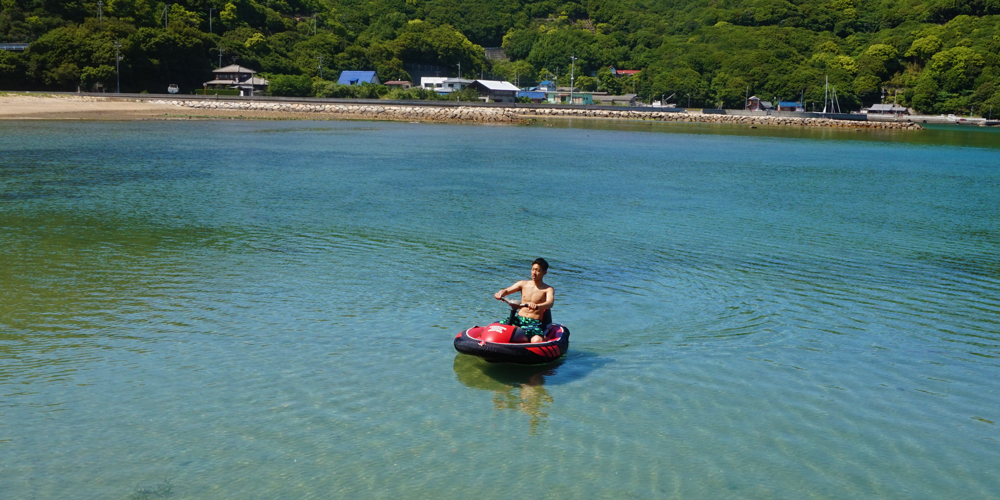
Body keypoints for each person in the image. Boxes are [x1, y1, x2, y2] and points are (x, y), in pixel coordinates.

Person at [494, 258, 555, 343]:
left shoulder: (548, 289)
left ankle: (543, 338)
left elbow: (550, 303)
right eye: (533, 269)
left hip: (533, 323)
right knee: (494, 328)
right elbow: (507, 290)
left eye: (537, 270)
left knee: (537, 340)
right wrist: (501, 293)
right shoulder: (523, 284)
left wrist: (537, 306)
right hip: (518, 319)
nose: (534, 272)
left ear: (544, 273)